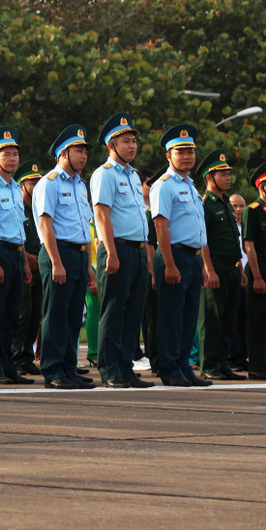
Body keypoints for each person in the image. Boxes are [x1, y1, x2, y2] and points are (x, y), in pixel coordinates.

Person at [90, 113, 153, 389]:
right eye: (126, 141)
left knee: (133, 313)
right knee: (113, 311)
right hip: (117, 249)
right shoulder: (104, 175)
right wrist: (111, 252)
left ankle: (126, 366)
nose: (132, 146)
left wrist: (146, 257)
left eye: (134, 141)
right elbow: (102, 215)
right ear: (111, 146)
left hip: (137, 250)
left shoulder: (132, 176)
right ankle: (109, 368)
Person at [149, 124, 214, 387]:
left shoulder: (190, 185)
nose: (187, 157)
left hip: (193, 257)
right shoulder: (164, 186)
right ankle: (168, 367)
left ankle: (183, 365)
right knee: (171, 316)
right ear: (168, 156)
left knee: (188, 317)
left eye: (190, 152)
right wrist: (169, 263)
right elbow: (160, 226)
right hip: (173, 255)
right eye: (180, 152)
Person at [33, 125, 96, 390]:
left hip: (79, 254)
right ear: (62, 153)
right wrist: (56, 262)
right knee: (55, 314)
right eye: (78, 150)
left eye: (84, 151)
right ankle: (52, 370)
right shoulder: (49, 183)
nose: (83, 155)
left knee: (73, 315)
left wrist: (89, 266)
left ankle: (69, 367)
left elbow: (85, 226)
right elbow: (45, 224)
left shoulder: (80, 184)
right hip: (58, 252)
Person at [0, 126, 34, 385]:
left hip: (15, 253)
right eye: (7, 155)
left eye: (15, 155)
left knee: (13, 313)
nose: (12, 159)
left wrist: (23, 262)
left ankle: (8, 363)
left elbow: (19, 230)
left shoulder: (14, 189)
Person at [196, 150, 247, 381]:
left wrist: (241, 269)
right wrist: (208, 269)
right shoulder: (205, 204)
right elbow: (202, 238)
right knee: (211, 318)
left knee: (228, 318)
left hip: (232, 266)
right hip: (214, 265)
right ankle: (209, 365)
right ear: (209, 177)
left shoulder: (227, 204)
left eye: (228, 174)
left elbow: (233, 240)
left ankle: (223, 363)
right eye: (222, 174)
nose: (228, 178)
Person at [12, 160, 43, 375]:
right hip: (24, 264)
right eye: (32, 182)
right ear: (22, 185)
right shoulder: (18, 205)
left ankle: (26, 357)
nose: (37, 186)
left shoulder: (39, 207)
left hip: (40, 265)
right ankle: (15, 356)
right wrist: (26, 256)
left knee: (34, 314)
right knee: (22, 313)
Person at [242, 160, 266, 380]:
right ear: (262, 187)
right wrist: (258, 277)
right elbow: (249, 246)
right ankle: (258, 366)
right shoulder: (253, 211)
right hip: (260, 266)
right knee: (258, 320)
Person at [229, 192, 250, 372]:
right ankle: (230, 357)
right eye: (234, 206)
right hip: (232, 274)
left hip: (248, 276)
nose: (238, 210)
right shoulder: (228, 226)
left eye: (241, 206)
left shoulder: (247, 227)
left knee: (245, 318)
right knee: (232, 318)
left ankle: (242, 356)